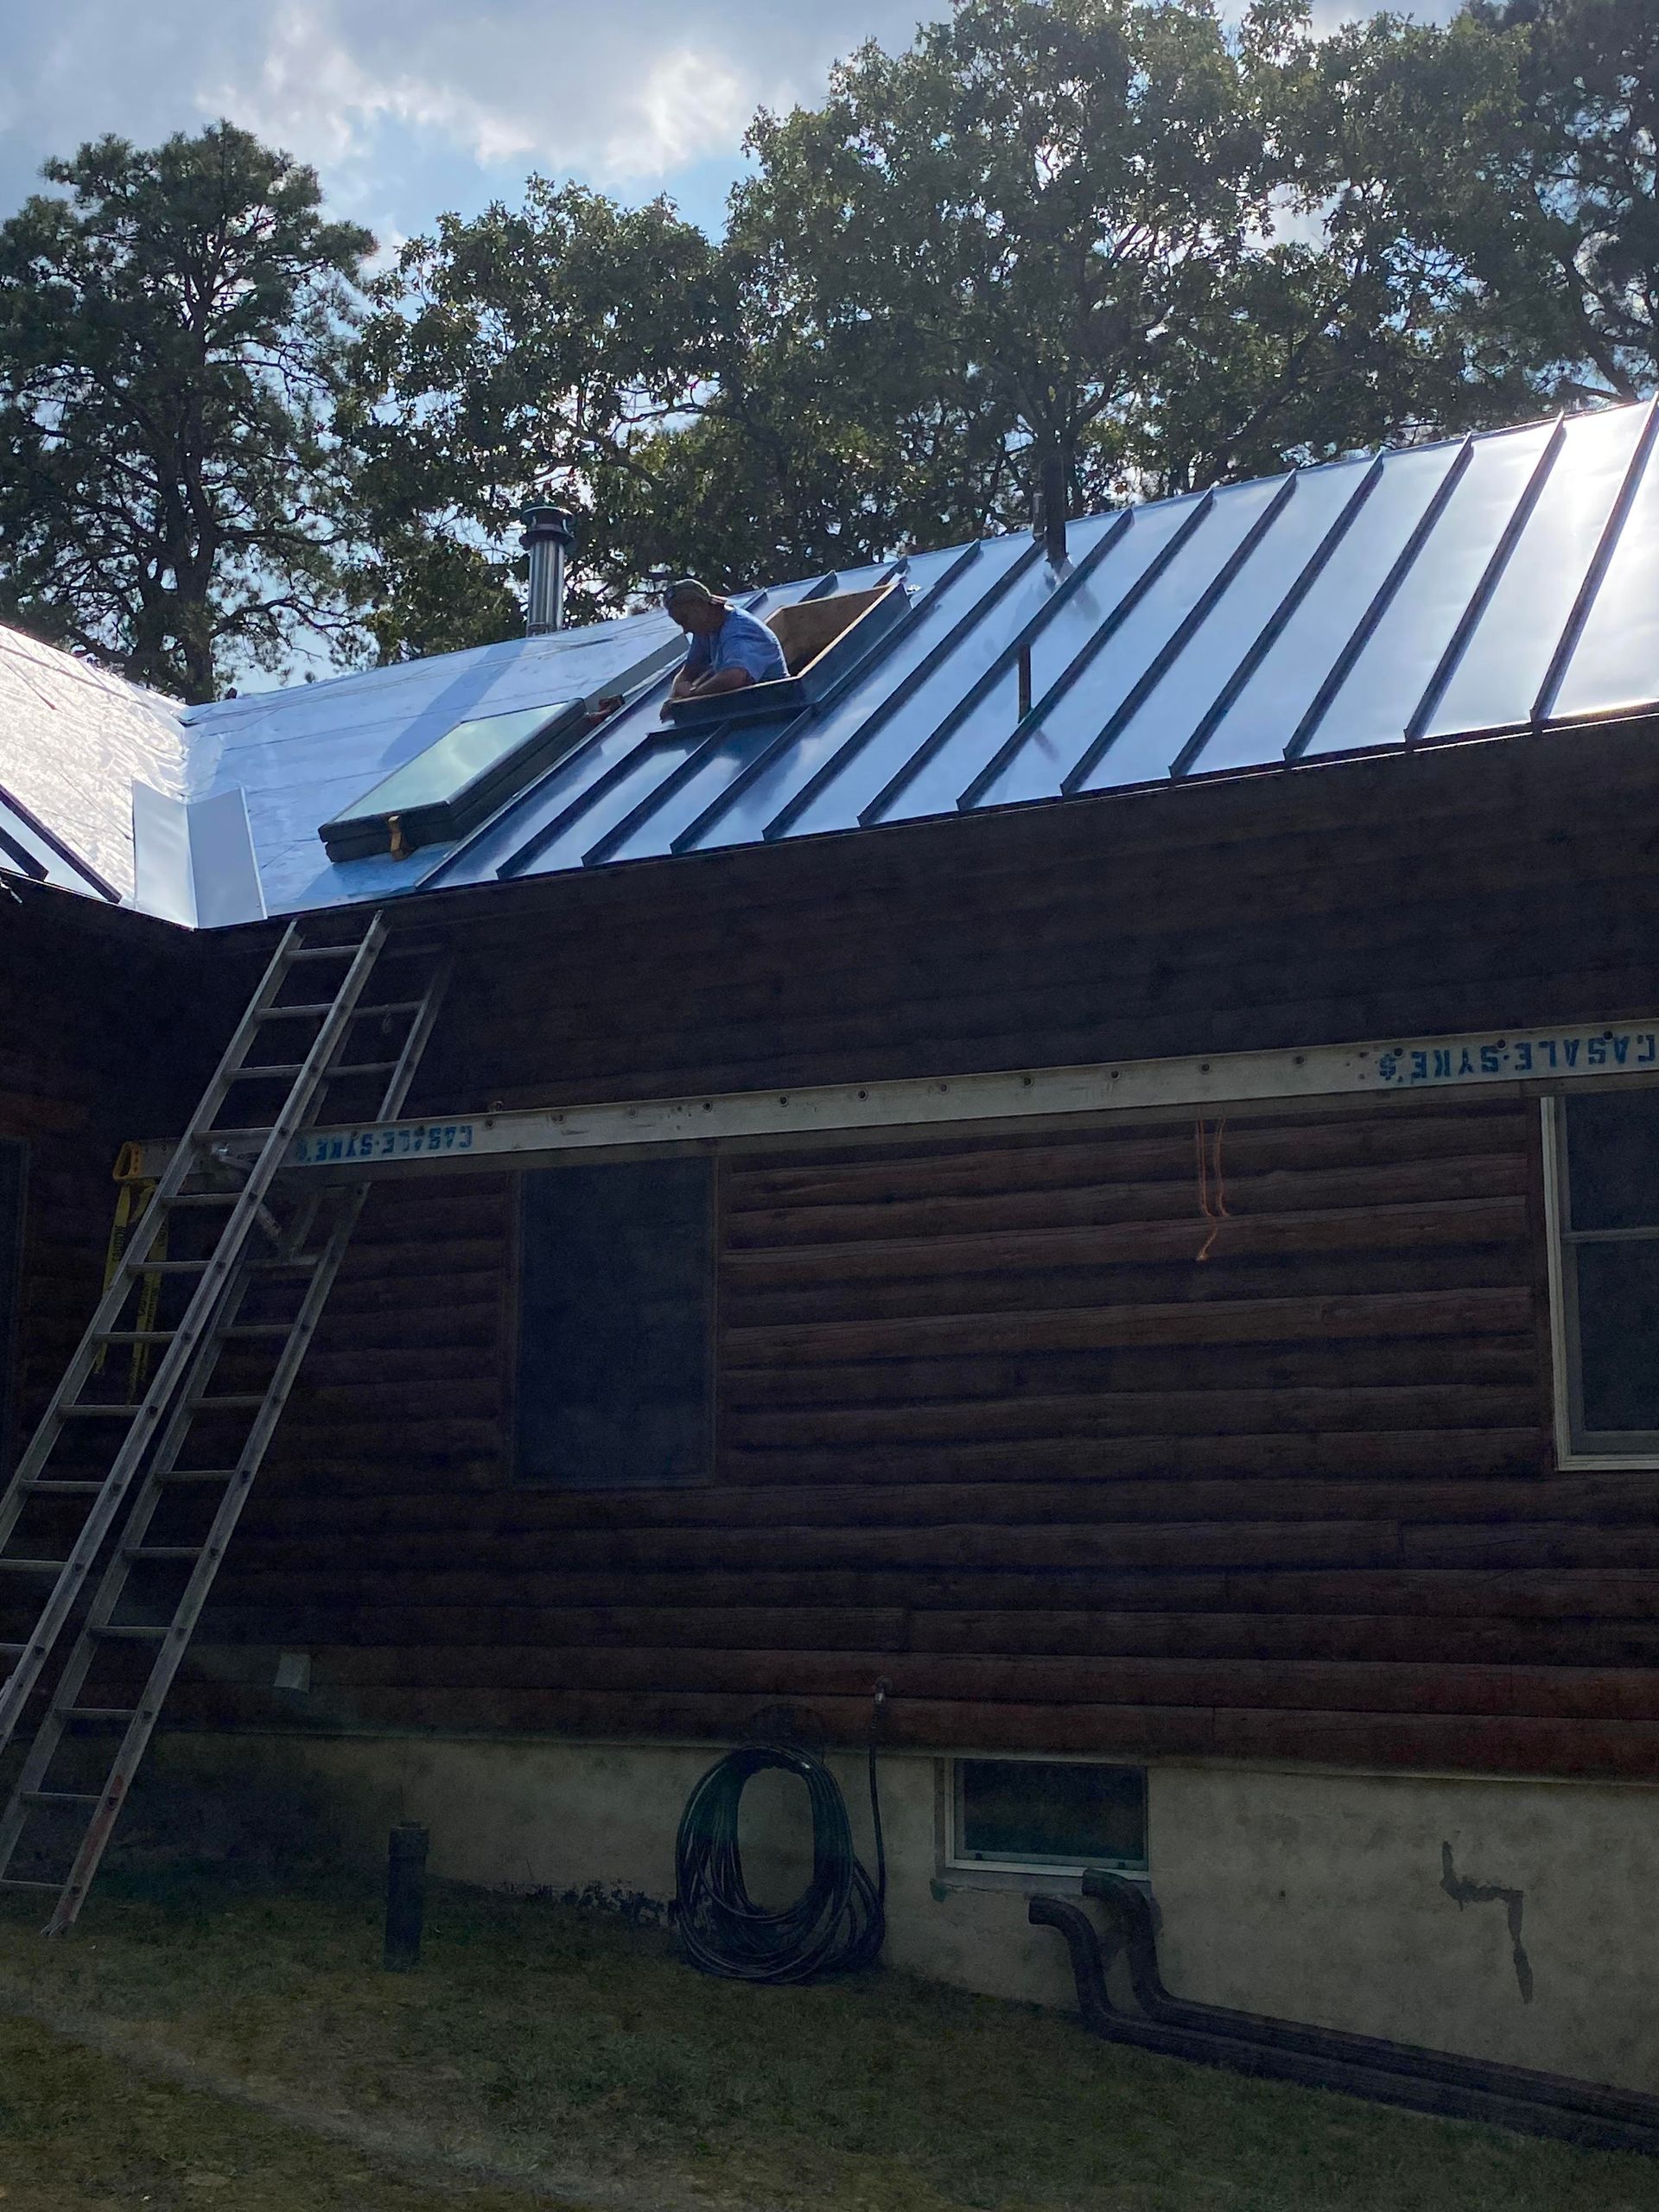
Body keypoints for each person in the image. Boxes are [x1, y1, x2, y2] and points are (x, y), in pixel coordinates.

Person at [664, 578, 788, 700]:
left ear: (700, 605)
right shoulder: (705, 629)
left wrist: (693, 693)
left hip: (778, 703)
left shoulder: (739, 630)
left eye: (684, 620)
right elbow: (689, 670)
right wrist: (673, 697)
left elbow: (735, 676)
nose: (685, 630)